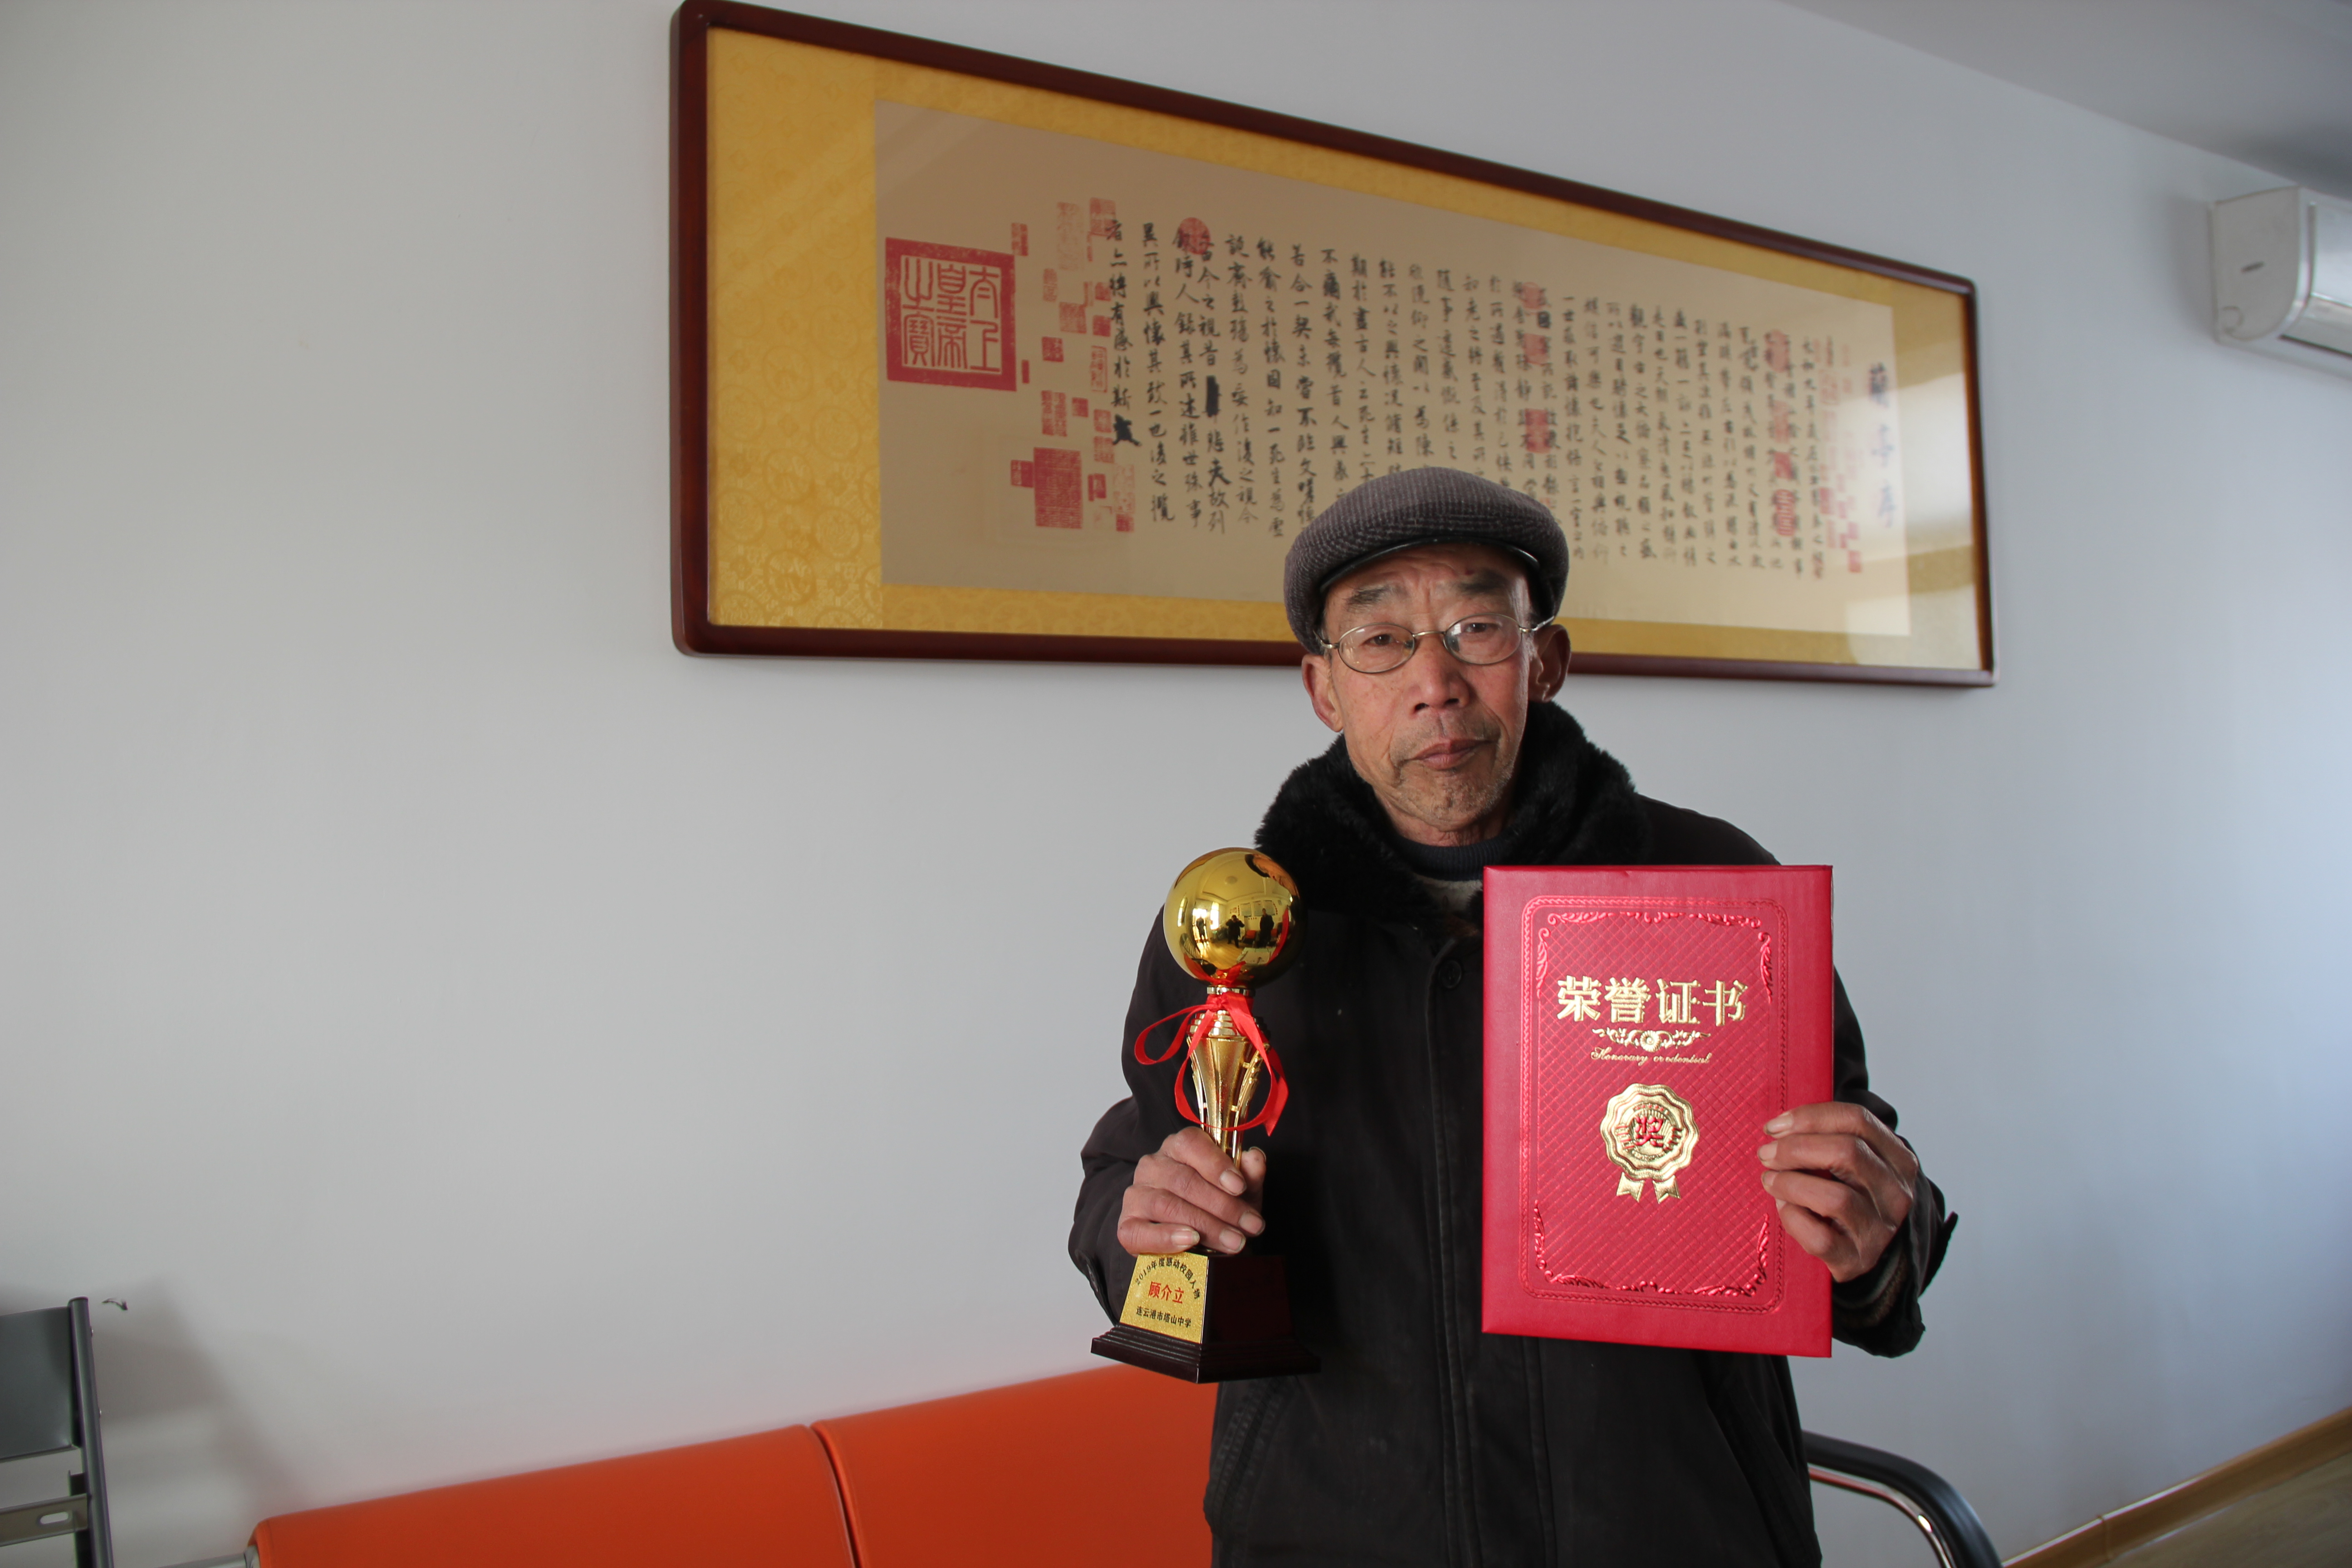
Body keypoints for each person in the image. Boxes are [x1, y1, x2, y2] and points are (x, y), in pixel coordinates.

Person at [1069, 467, 1954, 1568]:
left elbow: (1866, 1197)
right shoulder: (1239, 930)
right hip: (1334, 1533)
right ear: (1322, 688)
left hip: (1672, 1531)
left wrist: (1877, 1238)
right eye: (1381, 641)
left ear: (1546, 660)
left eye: (1476, 629)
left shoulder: (1716, 893)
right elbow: (1135, 1169)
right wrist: (1144, 1227)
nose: (1435, 683)